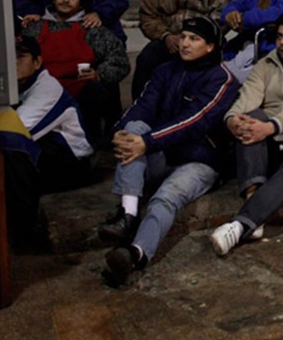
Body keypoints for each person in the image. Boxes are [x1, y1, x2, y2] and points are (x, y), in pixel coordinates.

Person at [96, 17, 239, 286]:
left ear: (209, 47)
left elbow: (195, 122)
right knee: (134, 127)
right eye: (183, 36)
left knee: (166, 197)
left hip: (199, 160)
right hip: (160, 153)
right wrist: (121, 130)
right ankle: (127, 215)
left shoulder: (222, 79)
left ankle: (136, 254)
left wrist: (147, 143)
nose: (185, 43)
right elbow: (142, 107)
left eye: (194, 39)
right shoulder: (165, 70)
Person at [211, 12, 283, 257]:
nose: (282, 42)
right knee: (250, 119)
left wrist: (271, 126)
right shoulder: (266, 64)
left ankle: (241, 223)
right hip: (265, 141)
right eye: (279, 37)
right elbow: (248, 97)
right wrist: (232, 120)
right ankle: (254, 201)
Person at [0, 35, 94, 249]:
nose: (13, 63)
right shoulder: (13, 86)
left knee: (12, 151)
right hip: (46, 152)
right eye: (9, 57)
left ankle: (26, 233)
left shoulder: (47, 88)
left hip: (71, 164)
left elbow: (14, 131)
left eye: (20, 57)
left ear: (37, 62)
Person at [24, 0, 131, 145]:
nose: (66, 0)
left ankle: (90, 144)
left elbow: (120, 60)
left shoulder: (91, 29)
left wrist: (99, 74)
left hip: (78, 90)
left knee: (96, 91)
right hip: (40, 90)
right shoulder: (34, 27)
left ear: (81, 5)